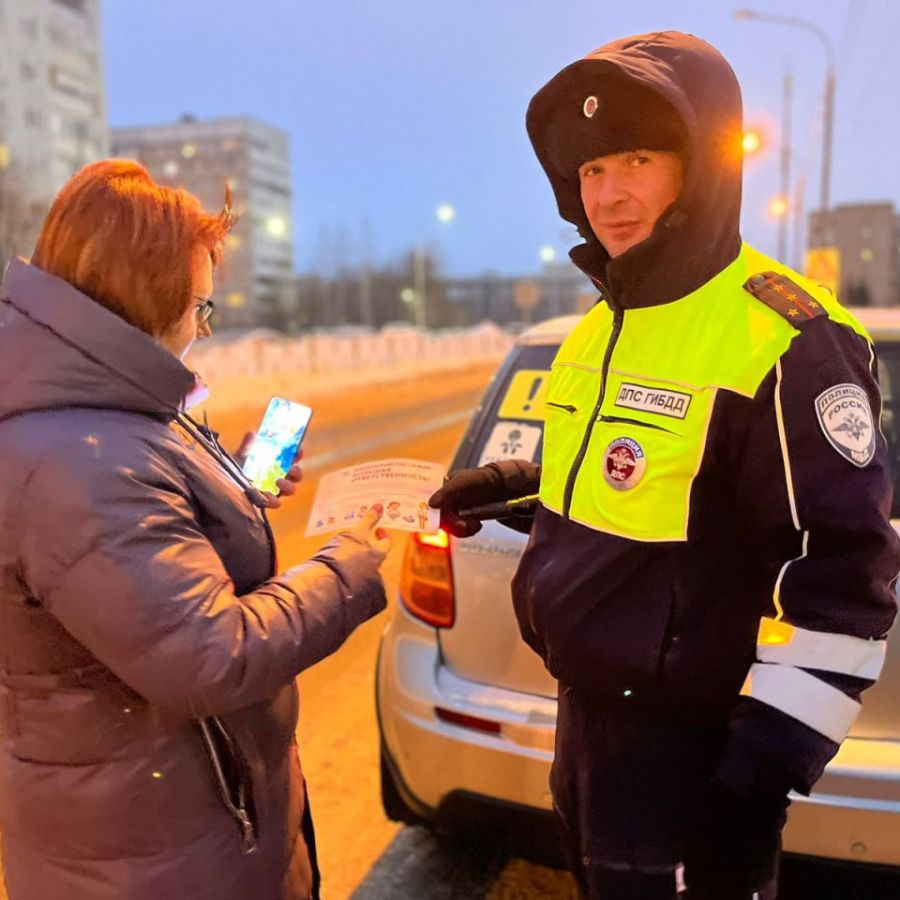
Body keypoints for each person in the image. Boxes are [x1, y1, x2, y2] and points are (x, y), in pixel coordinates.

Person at [430, 32, 899, 900]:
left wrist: (753, 784)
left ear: (702, 166)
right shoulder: (604, 323)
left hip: (697, 758)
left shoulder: (784, 341)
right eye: (592, 171)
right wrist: (508, 489)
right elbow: (639, 489)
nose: (608, 195)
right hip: (589, 729)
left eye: (636, 159)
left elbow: (843, 582)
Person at [0, 159, 391, 900]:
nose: (203, 330)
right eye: (202, 307)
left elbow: (143, 539)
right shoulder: (78, 457)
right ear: (148, 292)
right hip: (148, 858)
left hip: (174, 827)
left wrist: (233, 487)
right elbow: (210, 656)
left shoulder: (105, 412)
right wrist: (349, 567)